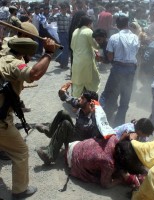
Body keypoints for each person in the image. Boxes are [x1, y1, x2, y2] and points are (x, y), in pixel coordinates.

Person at [0, 37, 56, 199]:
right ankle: (20, 190)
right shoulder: (14, 64)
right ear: (25, 55)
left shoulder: (4, 52)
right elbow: (34, 73)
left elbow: (6, 40)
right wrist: (49, 53)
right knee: (21, 152)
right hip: (1, 120)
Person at [36, 84, 103, 165]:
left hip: (80, 145)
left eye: (82, 98)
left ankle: (49, 156)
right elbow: (71, 100)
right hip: (75, 134)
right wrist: (62, 93)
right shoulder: (82, 105)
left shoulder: (96, 117)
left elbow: (98, 137)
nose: (79, 99)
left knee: (65, 124)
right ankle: (50, 131)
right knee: (63, 113)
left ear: (89, 103)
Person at [100, 16, 139, 126]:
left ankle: (102, 118)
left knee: (108, 94)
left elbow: (110, 56)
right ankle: (119, 123)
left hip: (118, 68)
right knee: (125, 98)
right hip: (131, 70)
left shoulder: (114, 37)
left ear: (117, 25)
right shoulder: (135, 37)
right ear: (127, 24)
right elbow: (135, 52)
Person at [71, 16, 100, 97]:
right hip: (86, 61)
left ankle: (75, 102)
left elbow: (72, 46)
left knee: (78, 83)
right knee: (91, 81)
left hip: (76, 60)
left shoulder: (75, 31)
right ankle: (92, 101)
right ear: (89, 23)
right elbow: (95, 45)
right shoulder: (88, 31)